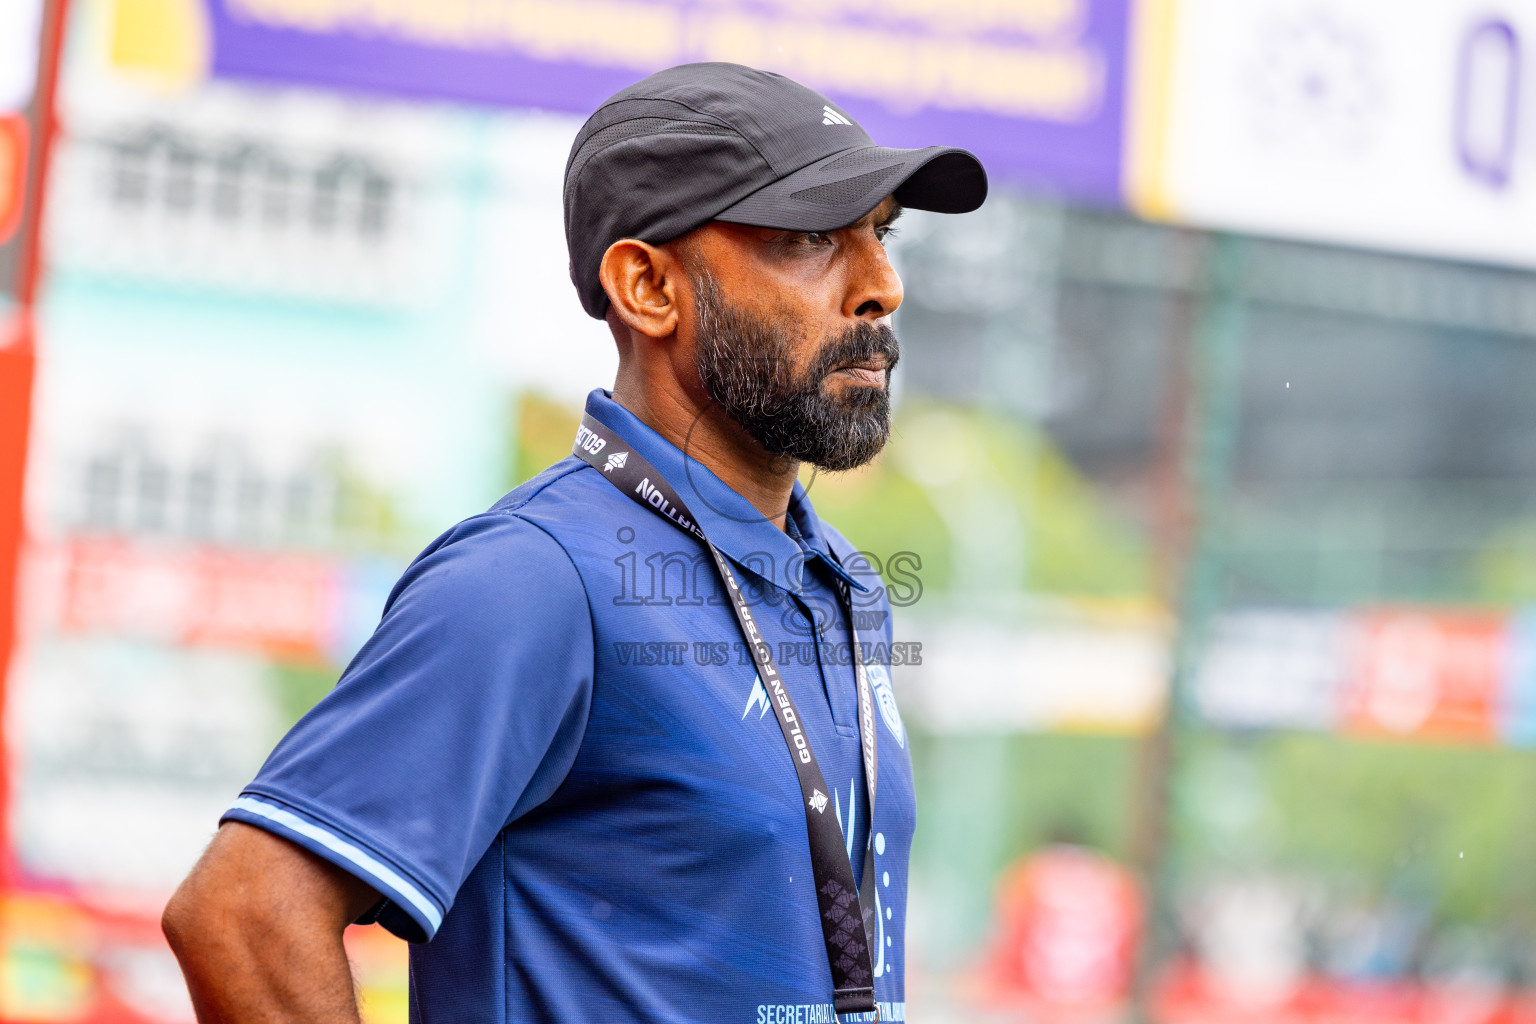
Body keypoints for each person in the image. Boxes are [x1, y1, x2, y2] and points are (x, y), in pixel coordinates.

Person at [162, 62, 986, 1024]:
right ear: (647, 286)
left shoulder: (840, 584)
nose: (881, 285)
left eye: (880, 232)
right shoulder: (535, 577)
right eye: (809, 238)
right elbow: (245, 911)